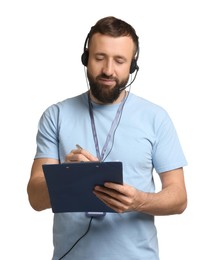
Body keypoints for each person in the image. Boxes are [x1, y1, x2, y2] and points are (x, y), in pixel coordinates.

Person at [27, 16, 187, 260]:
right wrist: (67, 176)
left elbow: (179, 198)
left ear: (132, 66)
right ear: (86, 58)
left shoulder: (156, 117)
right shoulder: (55, 115)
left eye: (119, 61)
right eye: (99, 58)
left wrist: (139, 201)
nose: (108, 70)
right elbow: (35, 199)